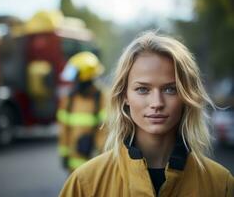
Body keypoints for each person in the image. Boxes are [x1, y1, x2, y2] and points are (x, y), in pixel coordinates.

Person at [59, 32, 234, 196]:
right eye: (143, 89)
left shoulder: (221, 184)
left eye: (170, 89)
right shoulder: (85, 184)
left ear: (186, 96)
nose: (157, 103)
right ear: (124, 95)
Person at [57, 51, 107, 173]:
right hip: (73, 167)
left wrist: (101, 157)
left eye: (76, 78)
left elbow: (105, 130)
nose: (73, 83)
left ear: (85, 78)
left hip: (95, 165)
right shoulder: (68, 99)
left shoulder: (102, 98)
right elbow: (64, 130)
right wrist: (64, 154)